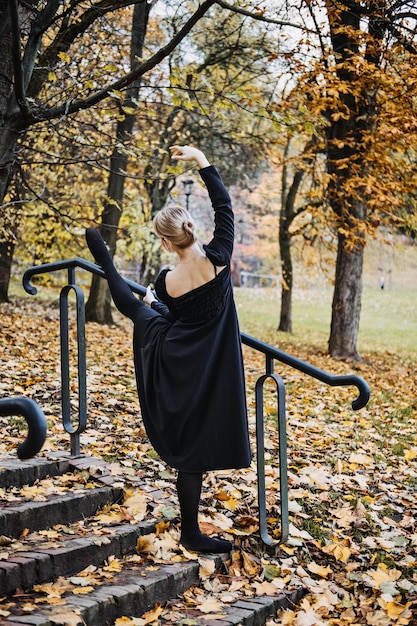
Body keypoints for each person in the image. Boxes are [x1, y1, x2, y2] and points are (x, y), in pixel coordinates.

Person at [86, 145, 251, 553]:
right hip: (211, 361)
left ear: (165, 241)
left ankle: (103, 256)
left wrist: (150, 301)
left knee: (135, 307)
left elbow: (159, 311)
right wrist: (200, 158)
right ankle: (191, 534)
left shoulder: (165, 281)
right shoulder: (220, 256)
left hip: (178, 356)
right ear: (192, 228)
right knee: (196, 451)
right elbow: (224, 204)